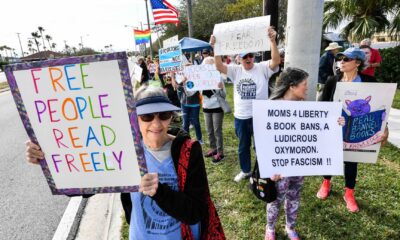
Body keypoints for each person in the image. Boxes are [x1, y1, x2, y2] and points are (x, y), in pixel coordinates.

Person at [25, 86, 225, 240]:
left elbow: (196, 212)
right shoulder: (125, 151)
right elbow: (81, 187)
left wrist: (159, 192)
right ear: (134, 119)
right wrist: (49, 160)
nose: (156, 124)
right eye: (147, 116)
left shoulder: (188, 151)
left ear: (171, 116)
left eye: (163, 115)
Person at [266, 68, 345, 240]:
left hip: (298, 165)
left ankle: (290, 227)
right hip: (279, 168)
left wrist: (336, 123)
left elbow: (318, 132)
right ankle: (270, 228)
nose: (307, 88)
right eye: (304, 84)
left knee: (294, 196)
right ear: (292, 86)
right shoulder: (272, 107)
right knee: (276, 199)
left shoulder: (305, 108)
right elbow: (265, 140)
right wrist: (270, 167)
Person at [316, 47, 389, 213]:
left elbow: (381, 105)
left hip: (358, 128)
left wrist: (385, 128)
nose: (341, 61)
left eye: (346, 59)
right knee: (331, 156)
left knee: (351, 159)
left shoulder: (369, 82)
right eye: (340, 58)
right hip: (335, 127)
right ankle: (326, 183)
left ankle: (349, 193)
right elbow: (322, 105)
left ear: (357, 63)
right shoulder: (332, 81)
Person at [210, 26, 280, 182]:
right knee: (243, 146)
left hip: (260, 116)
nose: (248, 59)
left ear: (254, 57)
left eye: (250, 56)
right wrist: (216, 48)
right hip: (241, 116)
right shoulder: (236, 70)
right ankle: (246, 170)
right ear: (239, 58)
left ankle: (264, 169)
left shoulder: (262, 68)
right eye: (244, 57)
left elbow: (276, 61)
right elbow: (219, 66)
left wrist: (272, 41)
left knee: (261, 145)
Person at [201, 56, 226, 163]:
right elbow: (191, 91)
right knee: (209, 130)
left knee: (217, 131)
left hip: (217, 107)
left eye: (211, 65)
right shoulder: (200, 77)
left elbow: (224, 95)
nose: (208, 67)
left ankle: (220, 152)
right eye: (206, 65)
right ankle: (213, 148)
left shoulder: (218, 77)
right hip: (206, 107)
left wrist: (219, 88)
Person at [172, 72, 203, 144]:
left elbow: (198, 89)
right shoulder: (181, 78)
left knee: (196, 122)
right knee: (185, 123)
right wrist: (180, 80)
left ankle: (199, 139)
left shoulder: (197, 79)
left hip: (195, 103)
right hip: (184, 103)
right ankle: (187, 139)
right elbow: (176, 87)